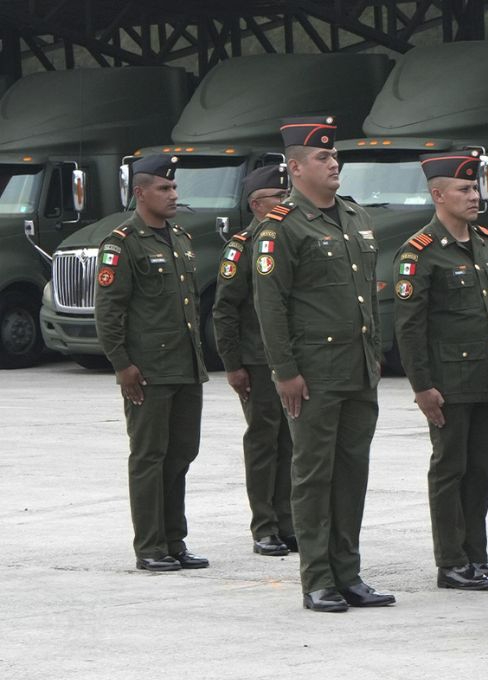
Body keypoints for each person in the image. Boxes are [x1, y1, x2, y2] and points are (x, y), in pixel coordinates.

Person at [254, 116, 394, 612]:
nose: (334, 163)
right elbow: (271, 305)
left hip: (356, 368)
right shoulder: (279, 227)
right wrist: (284, 370)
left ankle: (348, 572)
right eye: (322, 157)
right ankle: (317, 577)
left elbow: (368, 298)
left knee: (352, 472)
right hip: (312, 372)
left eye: (335, 157)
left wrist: (373, 353)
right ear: (294, 167)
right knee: (314, 473)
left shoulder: (355, 217)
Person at [393, 149, 488, 591]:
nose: (474, 195)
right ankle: (451, 561)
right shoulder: (420, 252)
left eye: (475, 187)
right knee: (451, 470)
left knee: (480, 471)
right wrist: (422, 386)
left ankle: (476, 557)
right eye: (464, 189)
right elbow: (410, 327)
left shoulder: (485, 243)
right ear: (438, 194)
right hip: (449, 383)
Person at [95, 154, 209, 573]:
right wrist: (123, 365)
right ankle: (149, 546)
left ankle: (174, 539)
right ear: (140, 193)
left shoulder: (179, 238)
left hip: (185, 366)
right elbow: (109, 311)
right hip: (148, 370)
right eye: (164, 188)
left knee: (181, 454)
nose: (173, 194)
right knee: (149, 456)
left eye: (174, 187)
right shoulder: (122, 242)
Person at [212, 164, 295, 557]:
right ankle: (264, 525)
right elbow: (225, 309)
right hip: (257, 360)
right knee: (264, 442)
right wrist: (233, 364)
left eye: (286, 196)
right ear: (257, 204)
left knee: (292, 442)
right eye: (277, 198)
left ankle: (288, 521)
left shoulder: (287, 240)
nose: (285, 203)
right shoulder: (241, 247)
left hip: (291, 358)